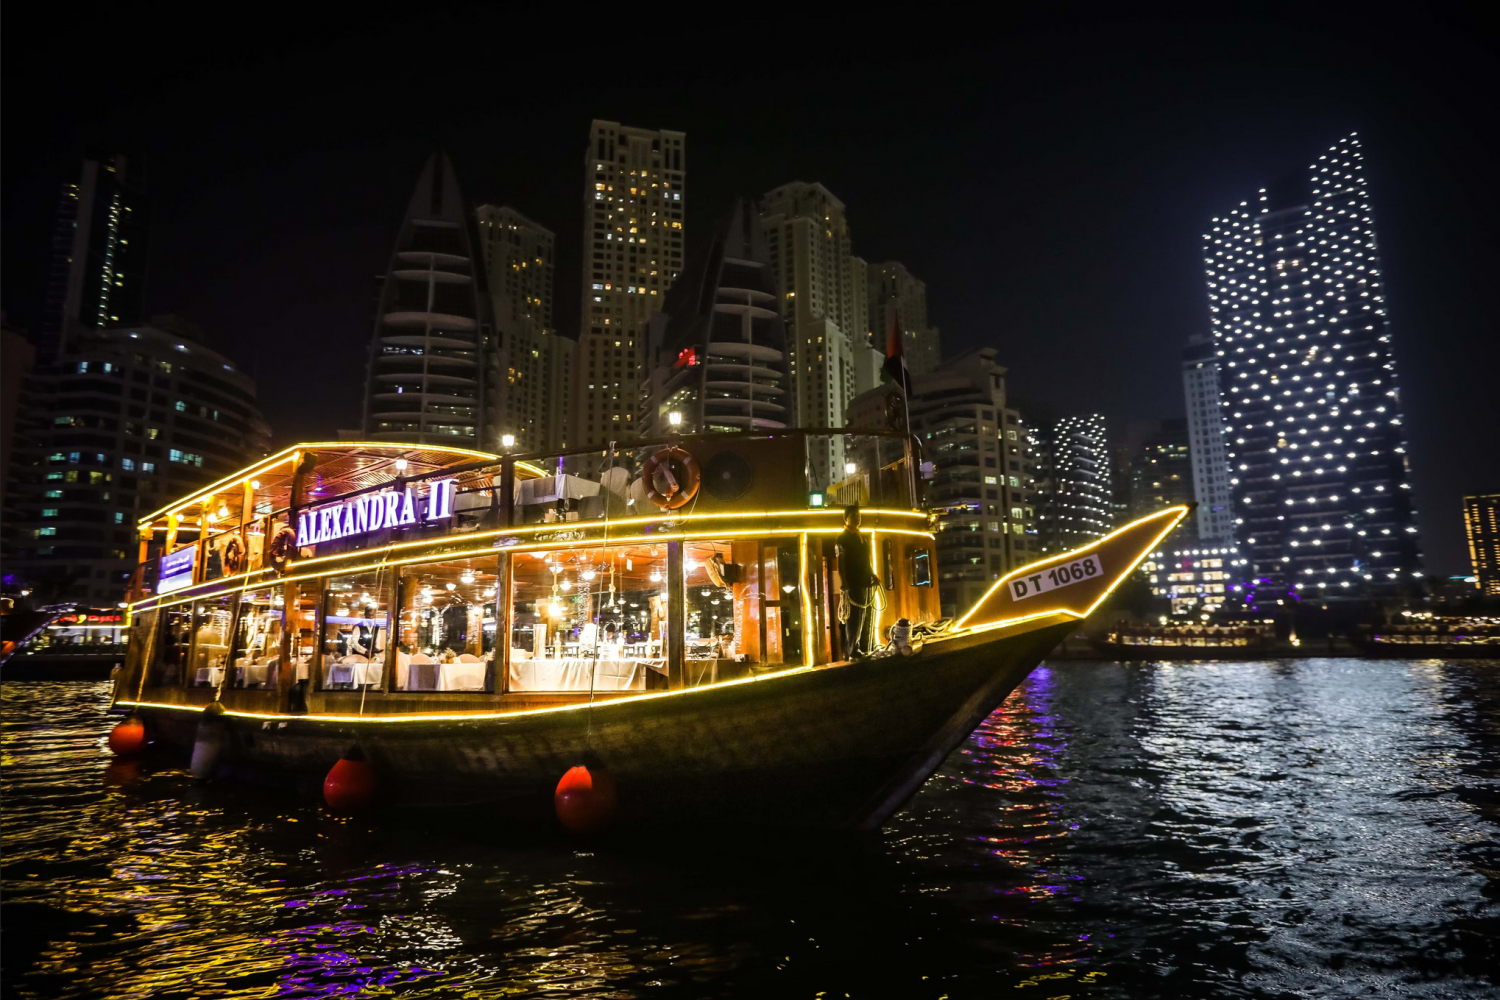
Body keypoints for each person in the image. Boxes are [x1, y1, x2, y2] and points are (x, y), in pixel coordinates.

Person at [835, 504, 877, 657]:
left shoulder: (861, 537)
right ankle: (852, 649)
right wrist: (844, 582)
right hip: (853, 582)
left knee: (863, 615)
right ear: (846, 518)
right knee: (854, 617)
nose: (857, 518)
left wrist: (872, 574)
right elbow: (840, 561)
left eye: (859, 515)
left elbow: (867, 560)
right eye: (854, 515)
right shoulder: (842, 538)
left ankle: (859, 646)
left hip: (865, 581)